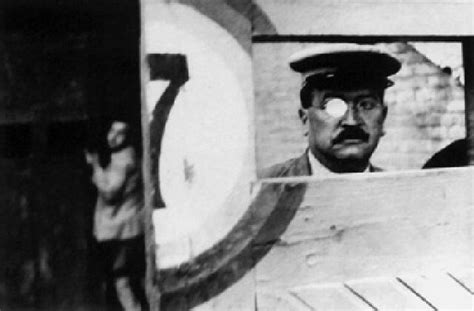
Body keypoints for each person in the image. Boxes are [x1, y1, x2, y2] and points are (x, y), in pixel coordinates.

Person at [262, 44, 401, 178]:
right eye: (333, 106)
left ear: (383, 119)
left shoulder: (401, 193)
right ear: (304, 119)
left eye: (366, 105)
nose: (351, 121)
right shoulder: (264, 189)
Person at [85, 119, 147, 311]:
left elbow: (110, 192)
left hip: (122, 230)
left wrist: (95, 167)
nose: (113, 136)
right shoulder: (128, 157)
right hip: (130, 228)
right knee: (133, 277)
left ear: (127, 137)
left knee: (122, 280)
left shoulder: (123, 161)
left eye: (120, 132)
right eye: (112, 130)